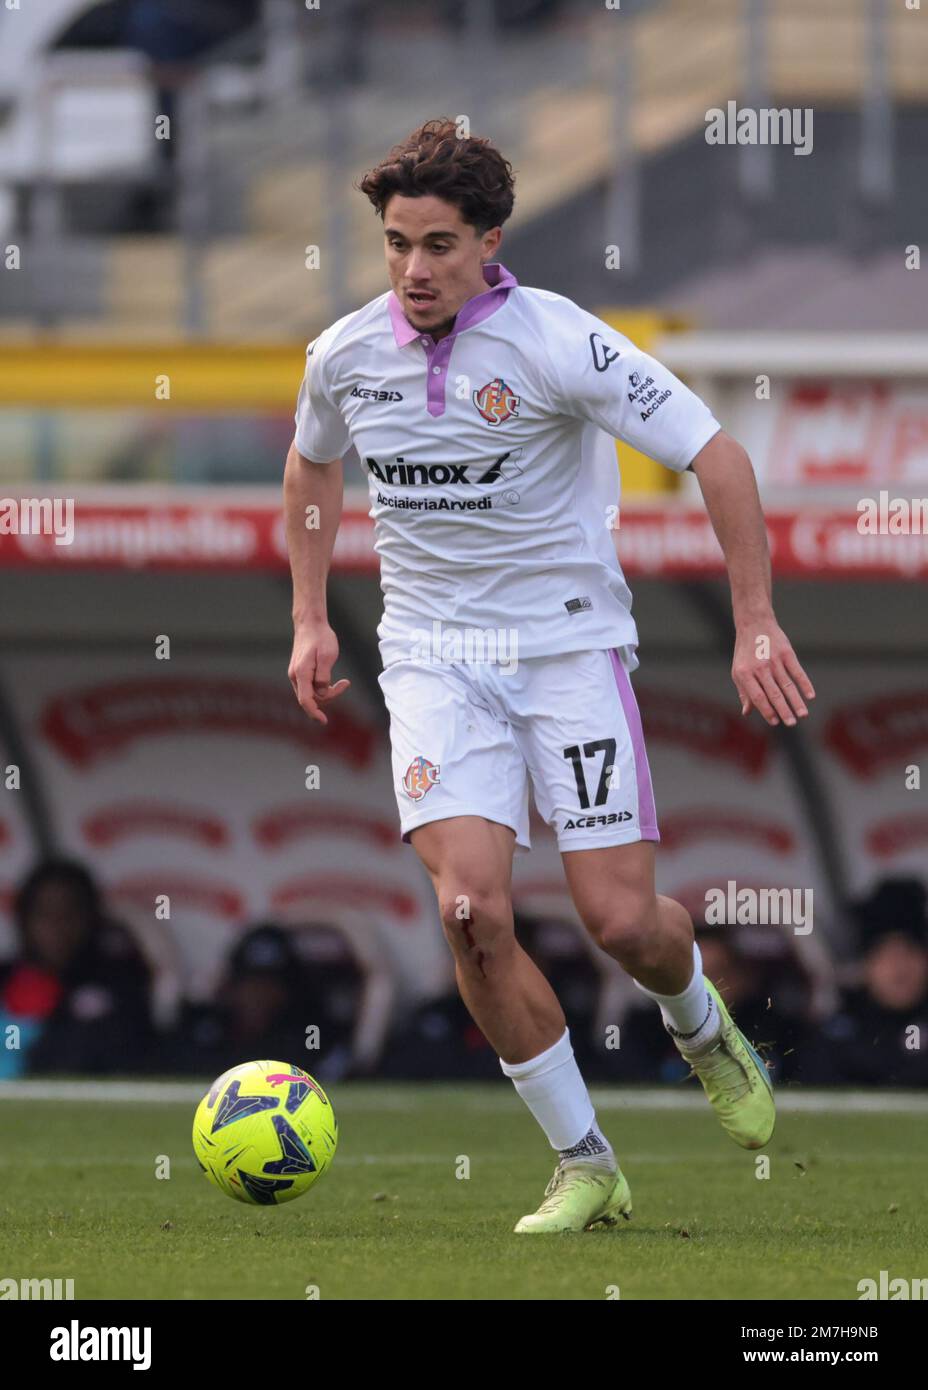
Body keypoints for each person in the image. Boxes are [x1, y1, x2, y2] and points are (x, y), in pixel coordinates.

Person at [283, 117, 815, 1233]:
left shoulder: (558, 341)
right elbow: (311, 463)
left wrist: (754, 620)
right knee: (470, 909)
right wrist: (308, 617)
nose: (414, 270)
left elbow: (716, 452)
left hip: (566, 652)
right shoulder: (343, 354)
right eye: (394, 244)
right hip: (431, 659)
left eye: (437, 245)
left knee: (620, 921)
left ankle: (700, 1023)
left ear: (490, 241)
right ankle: (586, 1162)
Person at [0, 858, 153, 1077]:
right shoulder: (6, 977)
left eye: (69, 912)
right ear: (25, 918)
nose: (57, 925)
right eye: (44, 912)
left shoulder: (119, 981)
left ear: (91, 916)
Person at [802, 879, 928, 1088]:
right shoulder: (836, 1036)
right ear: (865, 965)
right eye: (884, 952)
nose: (899, 967)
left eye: (910, 950)